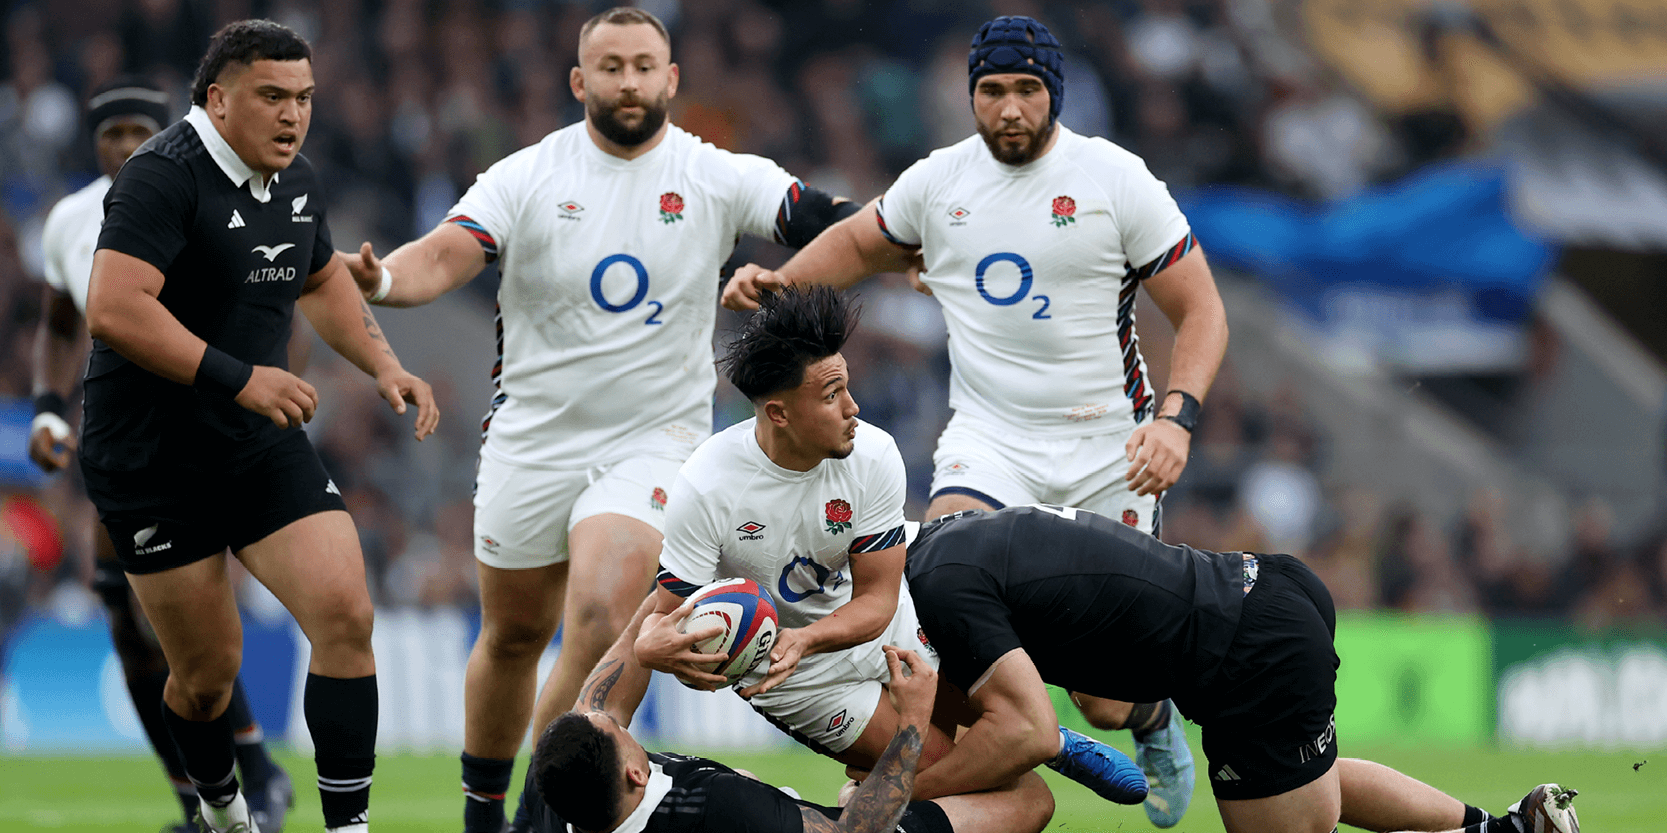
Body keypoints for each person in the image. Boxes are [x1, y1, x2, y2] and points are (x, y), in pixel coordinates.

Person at [337, 9, 859, 832]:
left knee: (608, 606)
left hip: (655, 440)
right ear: (579, 82)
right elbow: (446, 250)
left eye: (643, 66)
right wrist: (381, 280)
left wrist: (900, 239)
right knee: (512, 635)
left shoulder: (712, 173)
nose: (627, 81)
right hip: (532, 438)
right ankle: (482, 814)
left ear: (671, 78)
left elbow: (826, 215)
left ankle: (542, 816)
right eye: (609, 67)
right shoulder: (529, 174)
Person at [722, 15, 1228, 827]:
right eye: (992, 91)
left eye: (1026, 89)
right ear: (971, 97)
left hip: (1108, 448)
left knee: (1104, 697)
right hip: (989, 441)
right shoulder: (938, 183)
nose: (1009, 108)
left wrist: (1176, 420)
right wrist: (779, 283)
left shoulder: (1115, 178)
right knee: (938, 586)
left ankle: (1149, 717)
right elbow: (857, 243)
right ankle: (1014, 739)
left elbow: (1201, 309)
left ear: (1053, 94)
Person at [83, 20, 438, 833]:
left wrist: (384, 365)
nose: (293, 116)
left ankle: (348, 827)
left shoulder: (298, 179)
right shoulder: (160, 177)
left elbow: (320, 280)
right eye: (272, 97)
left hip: (255, 441)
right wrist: (241, 378)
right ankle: (224, 811)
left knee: (347, 614)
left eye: (305, 99)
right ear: (217, 99)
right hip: (151, 457)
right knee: (207, 676)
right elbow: (113, 308)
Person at [633, 285, 1144, 808]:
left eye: (847, 387)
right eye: (832, 396)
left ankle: (1024, 750)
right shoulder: (704, 486)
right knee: (1005, 791)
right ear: (779, 413)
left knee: (1006, 742)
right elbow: (671, 619)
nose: (854, 407)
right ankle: (887, 797)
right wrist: (654, 647)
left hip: (887, 621)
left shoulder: (873, 453)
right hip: (796, 679)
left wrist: (807, 638)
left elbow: (876, 601)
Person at [904, 504, 1580, 833]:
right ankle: (1506, 828)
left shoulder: (940, 588)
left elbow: (1024, 731)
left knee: (1292, 806)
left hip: (1250, 654)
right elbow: (1089, 703)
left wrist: (899, 794)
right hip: (1262, 592)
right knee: (1299, 778)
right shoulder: (950, 542)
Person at [31, 76, 294, 833]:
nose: (122, 146)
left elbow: (273, 304)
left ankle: (263, 776)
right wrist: (50, 406)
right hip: (120, 442)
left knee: (190, 621)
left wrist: (273, 385)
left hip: (204, 434)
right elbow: (57, 325)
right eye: (109, 134)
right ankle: (199, 799)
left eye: (135, 131)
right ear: (92, 142)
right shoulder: (70, 221)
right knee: (130, 623)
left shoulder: (209, 203)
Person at [526, 593, 1053, 833]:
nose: (611, 717)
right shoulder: (716, 811)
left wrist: (668, 599)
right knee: (1027, 796)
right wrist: (912, 724)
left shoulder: (565, 791)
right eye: (617, 731)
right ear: (635, 774)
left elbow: (596, 703)